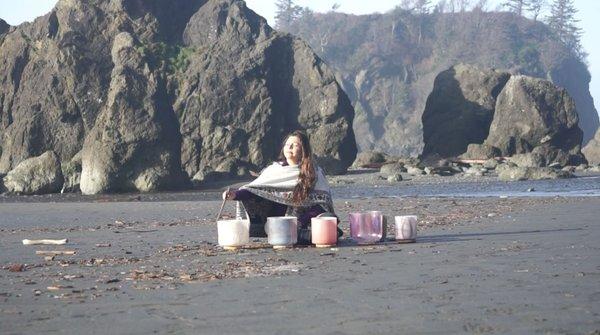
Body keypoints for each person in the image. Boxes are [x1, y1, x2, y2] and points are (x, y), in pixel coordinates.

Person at [222, 130, 341, 244]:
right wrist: (235, 195)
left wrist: (300, 221)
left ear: (303, 150)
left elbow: (322, 204)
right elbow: (254, 190)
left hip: (304, 221)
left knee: (321, 226)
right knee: (290, 234)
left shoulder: (314, 173)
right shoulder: (274, 170)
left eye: (294, 145)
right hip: (278, 222)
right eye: (287, 144)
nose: (289, 148)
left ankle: (310, 234)